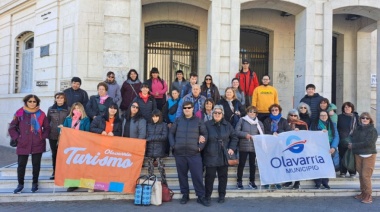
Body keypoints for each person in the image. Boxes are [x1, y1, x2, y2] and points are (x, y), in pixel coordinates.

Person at [169, 101, 209, 207]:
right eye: (185, 108)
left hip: (194, 154)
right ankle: (185, 195)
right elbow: (171, 134)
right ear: (182, 109)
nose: (187, 109)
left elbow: (205, 134)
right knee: (182, 176)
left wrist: (200, 148)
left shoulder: (198, 121)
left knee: (197, 176)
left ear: (192, 109)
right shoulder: (178, 120)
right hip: (180, 153)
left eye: (189, 108)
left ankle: (201, 196)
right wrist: (173, 146)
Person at [9, 94, 51, 194]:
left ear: (37, 103)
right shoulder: (19, 113)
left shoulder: (41, 114)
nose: (32, 103)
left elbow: (47, 128)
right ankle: (20, 184)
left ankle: (35, 183)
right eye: (30, 101)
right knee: (21, 165)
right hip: (23, 142)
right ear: (26, 102)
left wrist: (42, 137)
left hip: (37, 142)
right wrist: (17, 138)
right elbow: (12, 127)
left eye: (34, 101)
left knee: (36, 164)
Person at [204, 105, 238, 204]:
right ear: (212, 114)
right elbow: (201, 134)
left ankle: (222, 195)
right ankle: (207, 196)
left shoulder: (227, 125)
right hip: (211, 154)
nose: (217, 115)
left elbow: (234, 137)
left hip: (223, 155)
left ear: (222, 114)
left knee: (223, 177)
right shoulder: (207, 125)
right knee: (209, 177)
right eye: (215, 113)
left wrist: (232, 148)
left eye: (219, 113)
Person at [349, 112, 378, 204]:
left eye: (367, 118)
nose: (365, 119)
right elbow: (353, 139)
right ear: (360, 119)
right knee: (361, 175)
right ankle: (363, 193)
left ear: (370, 120)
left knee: (366, 175)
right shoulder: (357, 129)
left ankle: (368, 196)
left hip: (369, 155)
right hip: (358, 154)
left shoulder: (372, 130)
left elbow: (368, 143)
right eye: (363, 118)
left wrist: (353, 145)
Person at [62, 102, 90, 192]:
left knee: (81, 165)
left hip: (81, 144)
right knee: (72, 165)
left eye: (78, 109)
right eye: (75, 108)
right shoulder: (68, 119)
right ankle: (73, 184)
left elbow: (87, 132)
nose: (77, 110)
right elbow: (64, 129)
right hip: (71, 145)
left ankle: (83, 181)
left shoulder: (85, 119)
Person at [235, 106, 264, 190]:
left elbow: (262, 135)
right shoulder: (242, 120)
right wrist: (245, 135)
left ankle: (252, 181)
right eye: (250, 111)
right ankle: (239, 181)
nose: (252, 113)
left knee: (252, 165)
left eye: (254, 112)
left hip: (254, 147)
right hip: (243, 146)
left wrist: (256, 137)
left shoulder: (259, 123)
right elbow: (236, 131)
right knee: (241, 164)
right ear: (247, 112)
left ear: (256, 113)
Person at [310, 110, 339, 190]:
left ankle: (325, 182)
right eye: (321, 115)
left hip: (329, 147)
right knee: (318, 165)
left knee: (327, 165)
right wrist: (320, 132)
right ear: (319, 116)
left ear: (328, 116)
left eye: (325, 115)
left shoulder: (332, 124)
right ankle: (318, 182)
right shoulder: (314, 125)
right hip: (317, 147)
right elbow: (310, 135)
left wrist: (333, 147)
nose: (323, 116)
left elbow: (336, 136)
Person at [282, 109, 308, 189]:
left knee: (297, 165)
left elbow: (306, 134)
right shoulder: (285, 123)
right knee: (288, 164)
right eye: (291, 115)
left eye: (295, 115)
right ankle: (289, 180)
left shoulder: (302, 124)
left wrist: (299, 131)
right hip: (287, 147)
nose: (293, 117)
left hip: (298, 147)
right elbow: (281, 131)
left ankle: (297, 182)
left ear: (298, 116)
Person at [47, 92, 70, 180]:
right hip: (53, 134)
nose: (59, 99)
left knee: (64, 154)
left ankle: (64, 171)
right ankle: (55, 171)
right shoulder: (50, 109)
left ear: (64, 99)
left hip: (64, 135)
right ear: (55, 99)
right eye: (58, 98)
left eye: (61, 98)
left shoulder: (68, 109)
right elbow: (48, 121)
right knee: (54, 154)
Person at [146, 109, 168, 185]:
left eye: (157, 117)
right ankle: (150, 185)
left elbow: (164, 137)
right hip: (150, 150)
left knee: (161, 169)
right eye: (153, 117)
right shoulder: (148, 125)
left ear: (160, 117)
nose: (155, 118)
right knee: (150, 170)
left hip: (159, 150)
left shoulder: (163, 125)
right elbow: (146, 136)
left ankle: (164, 186)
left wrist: (151, 138)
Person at [337, 102, 359, 178]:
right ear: (343, 109)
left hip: (354, 139)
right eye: (345, 107)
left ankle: (352, 171)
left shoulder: (356, 117)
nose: (347, 109)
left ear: (352, 108)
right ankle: (343, 171)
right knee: (342, 155)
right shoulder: (339, 117)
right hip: (343, 139)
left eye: (349, 107)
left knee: (352, 156)